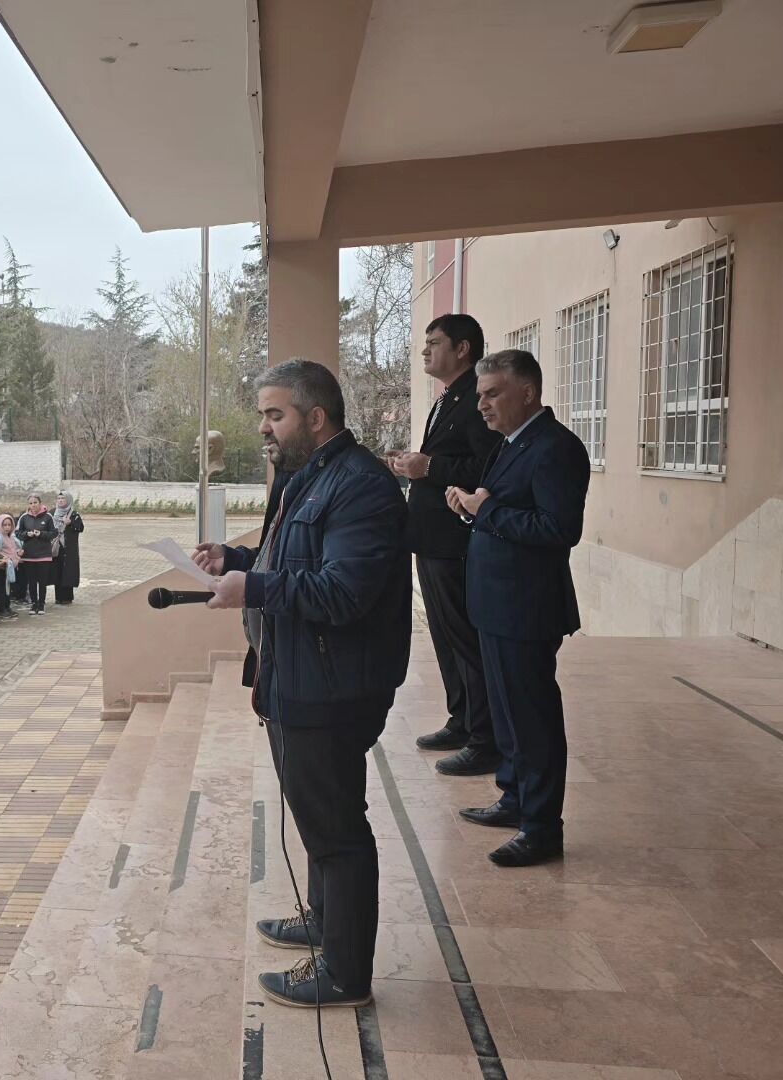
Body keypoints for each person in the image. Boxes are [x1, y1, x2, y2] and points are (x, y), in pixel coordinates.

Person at [196, 358, 410, 1010]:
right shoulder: (305, 478)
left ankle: (345, 973)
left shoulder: (361, 487)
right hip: (298, 677)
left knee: (338, 830)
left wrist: (253, 586)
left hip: (333, 688)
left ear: (314, 418)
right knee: (317, 818)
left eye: (275, 414)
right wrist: (237, 561)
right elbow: (292, 559)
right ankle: (323, 919)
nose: (264, 426)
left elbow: (344, 592)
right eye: (263, 413)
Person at [446, 349, 590, 868]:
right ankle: (514, 798)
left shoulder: (555, 448)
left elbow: (559, 529)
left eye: (492, 394)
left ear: (527, 393)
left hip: (526, 608)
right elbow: (502, 511)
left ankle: (541, 828)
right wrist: (472, 510)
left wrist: (489, 510)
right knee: (508, 713)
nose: (481, 405)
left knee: (532, 718)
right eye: (480, 395)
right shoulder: (513, 443)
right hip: (495, 603)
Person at [389, 314, 504, 776]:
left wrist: (428, 468)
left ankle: (484, 737)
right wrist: (414, 464)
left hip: (456, 539)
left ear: (463, 349)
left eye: (434, 343)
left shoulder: (476, 400)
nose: (425, 351)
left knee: (464, 638)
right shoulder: (447, 399)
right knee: (444, 637)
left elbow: (485, 467)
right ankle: (461, 719)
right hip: (431, 538)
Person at [17, 494, 57, 616]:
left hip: (44, 554)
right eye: (30, 503)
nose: (33, 505)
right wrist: (26, 534)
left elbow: (54, 533)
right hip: (29, 555)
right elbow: (18, 533)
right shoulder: (24, 517)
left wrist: (41, 534)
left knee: (43, 581)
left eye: (35, 502)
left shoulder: (48, 516)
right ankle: (34, 603)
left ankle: (41, 604)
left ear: (40, 503)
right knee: (32, 581)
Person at [51, 491, 85, 605]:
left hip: (69, 549)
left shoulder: (74, 514)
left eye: (63, 498)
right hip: (57, 548)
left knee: (68, 573)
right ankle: (58, 597)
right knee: (57, 571)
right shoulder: (52, 513)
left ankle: (67, 598)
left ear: (68, 500)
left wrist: (70, 523)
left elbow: (80, 528)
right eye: (59, 498)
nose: (60, 500)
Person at [0, 514, 22, 616]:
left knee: (8, 589)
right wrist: (4, 558)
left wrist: (17, 554)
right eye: (4, 525)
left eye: (9, 525)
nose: (7, 527)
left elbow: (12, 550)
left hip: (10, 568)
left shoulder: (10, 537)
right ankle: (2, 609)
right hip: (2, 568)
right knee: (2, 589)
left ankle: (7, 607)